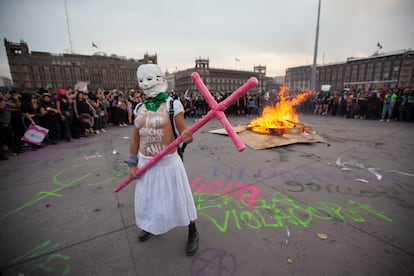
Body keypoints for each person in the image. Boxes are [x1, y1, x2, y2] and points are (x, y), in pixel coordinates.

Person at [126, 64, 199, 256]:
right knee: (149, 198)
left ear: (159, 78)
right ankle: (150, 226)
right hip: (145, 163)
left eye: (149, 79)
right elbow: (135, 138)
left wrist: (187, 136)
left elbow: (184, 131)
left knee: (181, 199)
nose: (145, 84)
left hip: (168, 163)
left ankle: (192, 231)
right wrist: (132, 163)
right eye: (141, 80)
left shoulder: (172, 105)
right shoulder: (140, 108)